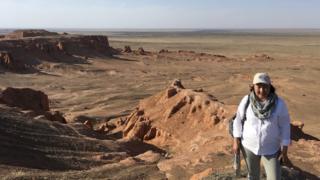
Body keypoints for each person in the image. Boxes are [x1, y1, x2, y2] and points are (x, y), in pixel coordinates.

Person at [233, 72, 291, 180]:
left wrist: (284, 149)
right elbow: (238, 120)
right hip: (249, 146)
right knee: (253, 176)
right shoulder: (246, 101)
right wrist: (236, 142)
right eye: (258, 86)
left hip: (271, 148)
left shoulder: (279, 104)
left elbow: (285, 126)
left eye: (265, 86)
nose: (262, 90)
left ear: (270, 87)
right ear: (253, 87)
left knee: (274, 178)